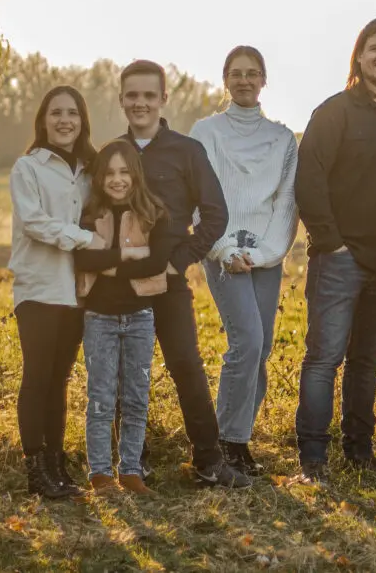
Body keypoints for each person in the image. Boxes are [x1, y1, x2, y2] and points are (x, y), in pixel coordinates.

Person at [294, 18, 376, 484]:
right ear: (359, 57)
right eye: (374, 48)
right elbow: (310, 178)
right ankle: (312, 459)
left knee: (366, 362)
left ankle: (360, 453)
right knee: (325, 359)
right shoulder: (335, 112)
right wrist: (332, 242)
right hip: (340, 259)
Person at [117, 59, 249, 488]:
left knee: (186, 366)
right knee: (127, 370)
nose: (140, 103)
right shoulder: (110, 154)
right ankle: (133, 460)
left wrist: (179, 261)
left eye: (148, 95)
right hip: (120, 282)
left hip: (170, 281)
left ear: (163, 99)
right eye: (132, 95)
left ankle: (208, 462)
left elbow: (215, 214)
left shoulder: (187, 151)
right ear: (122, 99)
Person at [189, 45, 298, 477]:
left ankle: (238, 438)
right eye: (236, 73)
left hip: (266, 256)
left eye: (253, 73)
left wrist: (263, 253)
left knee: (262, 348)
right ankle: (228, 445)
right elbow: (198, 197)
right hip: (222, 251)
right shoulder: (206, 132)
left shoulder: (282, 139)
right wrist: (224, 250)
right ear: (225, 79)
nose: (245, 80)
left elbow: (287, 205)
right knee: (247, 341)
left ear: (264, 80)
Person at [8, 85, 100, 498]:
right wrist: (83, 239)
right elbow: (34, 222)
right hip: (40, 285)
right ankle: (36, 470)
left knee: (60, 379)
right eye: (56, 113)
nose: (65, 120)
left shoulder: (90, 169)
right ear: (43, 121)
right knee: (38, 376)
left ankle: (58, 467)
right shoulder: (27, 168)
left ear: (82, 121)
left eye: (73, 113)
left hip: (77, 291)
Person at [73, 140, 171, 496]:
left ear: (135, 175)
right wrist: (128, 257)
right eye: (110, 172)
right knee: (100, 396)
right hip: (99, 318)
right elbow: (83, 260)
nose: (117, 179)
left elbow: (157, 262)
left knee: (136, 397)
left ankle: (130, 471)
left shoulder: (153, 213)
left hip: (140, 317)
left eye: (124, 172)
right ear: (100, 177)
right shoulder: (88, 216)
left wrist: (109, 262)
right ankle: (100, 474)